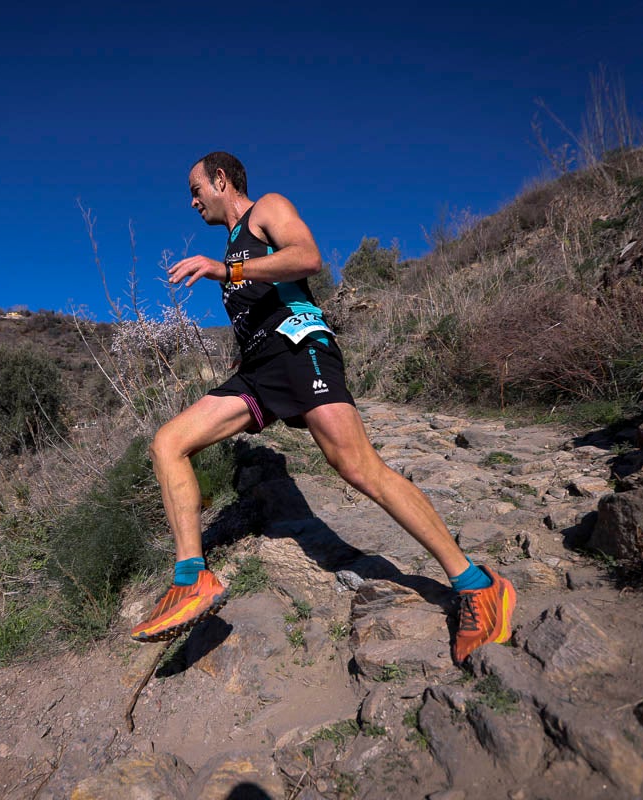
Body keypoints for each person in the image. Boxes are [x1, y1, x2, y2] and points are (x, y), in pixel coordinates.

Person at [130, 152, 514, 664]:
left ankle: (476, 584)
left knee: (358, 467)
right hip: (260, 369)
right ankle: (190, 578)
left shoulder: (265, 209)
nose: (192, 199)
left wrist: (227, 269)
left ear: (221, 180)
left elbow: (308, 257)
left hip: (299, 350)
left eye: (196, 187)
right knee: (168, 442)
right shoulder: (230, 243)